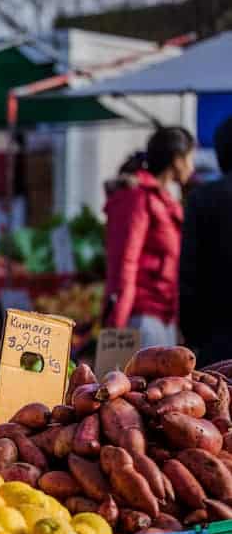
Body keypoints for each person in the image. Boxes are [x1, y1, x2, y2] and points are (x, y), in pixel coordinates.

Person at [103, 126, 195, 348]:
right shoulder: (138, 198)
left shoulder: (165, 201)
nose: (192, 166)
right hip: (141, 317)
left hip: (165, 317)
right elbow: (125, 262)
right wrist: (116, 326)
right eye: (190, 158)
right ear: (177, 160)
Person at [180, 116, 232, 365]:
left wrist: (192, 335)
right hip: (215, 330)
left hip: (215, 334)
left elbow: (189, 271)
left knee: (218, 399)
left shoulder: (202, 198)